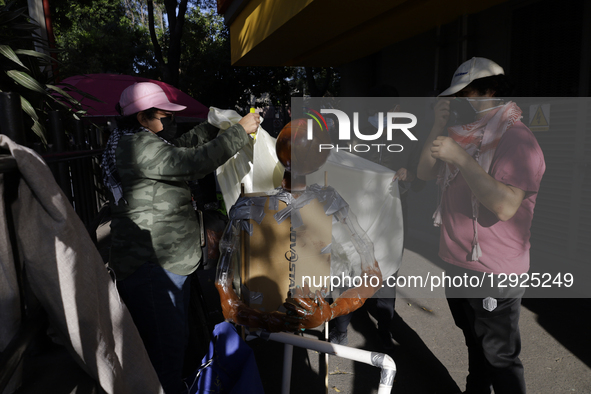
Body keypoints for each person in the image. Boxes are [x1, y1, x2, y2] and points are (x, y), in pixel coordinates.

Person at [101, 82, 259, 394]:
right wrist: (238, 132)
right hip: (153, 267)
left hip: (166, 262)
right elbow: (191, 162)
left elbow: (185, 147)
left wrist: (214, 127)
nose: (171, 122)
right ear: (142, 118)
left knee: (177, 340)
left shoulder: (144, 141)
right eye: (164, 116)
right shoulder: (136, 147)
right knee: (164, 352)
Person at [417, 57, 545, 393]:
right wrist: (436, 128)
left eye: (465, 93)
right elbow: (424, 173)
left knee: (500, 359)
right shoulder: (464, 134)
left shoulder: (517, 139)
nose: (458, 101)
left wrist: (458, 157)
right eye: (455, 95)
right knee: (476, 347)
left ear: (490, 90)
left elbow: (504, 206)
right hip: (457, 262)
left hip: (493, 271)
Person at [329, 85, 424, 349]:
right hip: (354, 214)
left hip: (391, 219)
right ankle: (340, 328)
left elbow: (419, 179)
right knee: (348, 268)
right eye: (374, 111)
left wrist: (409, 174)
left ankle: (384, 326)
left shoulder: (408, 138)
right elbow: (338, 166)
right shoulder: (355, 134)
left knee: (386, 269)